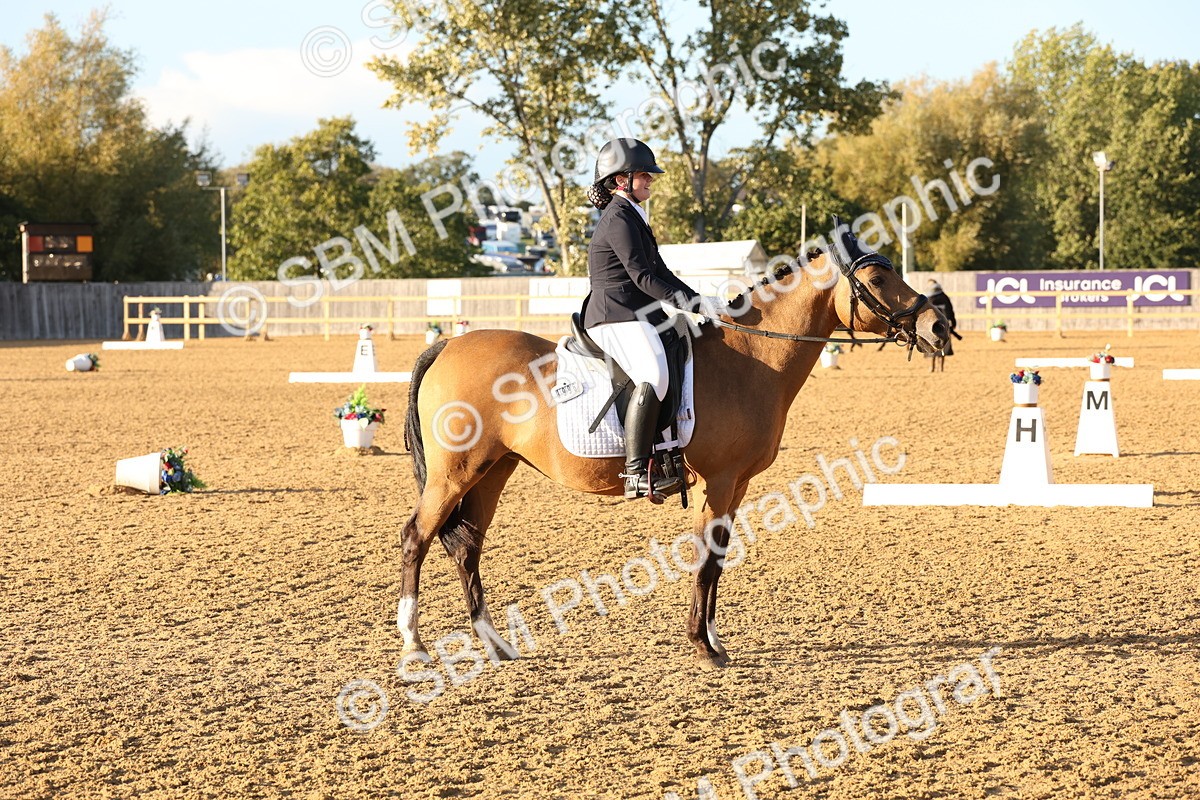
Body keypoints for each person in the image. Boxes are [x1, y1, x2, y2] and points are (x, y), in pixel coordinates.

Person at [584, 138, 727, 500]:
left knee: (683, 348)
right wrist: (692, 305)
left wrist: (700, 300)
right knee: (655, 374)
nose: (651, 180)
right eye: (644, 175)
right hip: (614, 315)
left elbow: (661, 271)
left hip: (639, 313)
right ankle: (635, 472)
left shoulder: (633, 216)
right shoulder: (618, 219)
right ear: (620, 181)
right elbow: (642, 278)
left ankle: (668, 449)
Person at [925, 280, 956, 371]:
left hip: (932, 325)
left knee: (932, 344)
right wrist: (953, 323)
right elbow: (950, 311)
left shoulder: (927, 298)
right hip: (944, 325)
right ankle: (941, 367)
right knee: (943, 345)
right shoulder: (944, 297)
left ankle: (932, 367)